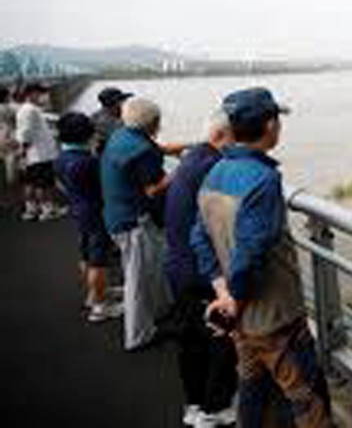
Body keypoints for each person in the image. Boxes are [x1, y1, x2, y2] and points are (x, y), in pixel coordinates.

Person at [191, 87, 331, 428]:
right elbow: (251, 253)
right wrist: (235, 297)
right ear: (270, 125)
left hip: (238, 318)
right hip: (275, 319)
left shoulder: (215, 171)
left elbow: (199, 236)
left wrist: (223, 293)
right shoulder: (264, 180)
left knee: (251, 387)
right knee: (307, 395)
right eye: (278, 120)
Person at [165, 110, 238, 428]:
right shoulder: (213, 166)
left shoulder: (193, 158)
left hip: (179, 264)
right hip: (201, 270)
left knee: (191, 340)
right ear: (222, 137)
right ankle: (216, 408)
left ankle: (194, 405)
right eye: (237, 138)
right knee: (218, 338)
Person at [101, 96, 181, 350]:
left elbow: (158, 150)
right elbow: (152, 190)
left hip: (115, 214)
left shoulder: (122, 136)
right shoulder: (143, 150)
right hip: (133, 220)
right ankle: (138, 335)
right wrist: (180, 173)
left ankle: (160, 311)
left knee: (148, 267)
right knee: (137, 277)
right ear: (152, 122)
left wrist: (194, 145)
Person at [54, 112, 123, 323]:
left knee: (86, 254)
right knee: (99, 260)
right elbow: (105, 187)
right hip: (95, 212)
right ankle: (101, 306)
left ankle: (95, 294)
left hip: (79, 210)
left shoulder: (61, 158)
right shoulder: (86, 162)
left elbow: (61, 185)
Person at [15, 83, 63, 221]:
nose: (43, 96)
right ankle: (48, 210)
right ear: (31, 93)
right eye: (40, 93)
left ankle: (31, 209)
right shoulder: (30, 110)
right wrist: (23, 150)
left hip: (33, 154)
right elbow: (26, 132)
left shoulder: (26, 109)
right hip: (39, 154)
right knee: (44, 183)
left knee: (30, 182)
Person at [91, 86, 132, 155]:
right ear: (116, 103)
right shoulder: (110, 122)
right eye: (123, 101)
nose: (125, 103)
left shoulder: (95, 116)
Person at [0, 85, 17, 190]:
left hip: (1, 136)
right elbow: (15, 120)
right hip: (8, 135)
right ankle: (11, 185)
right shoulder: (8, 108)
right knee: (10, 161)